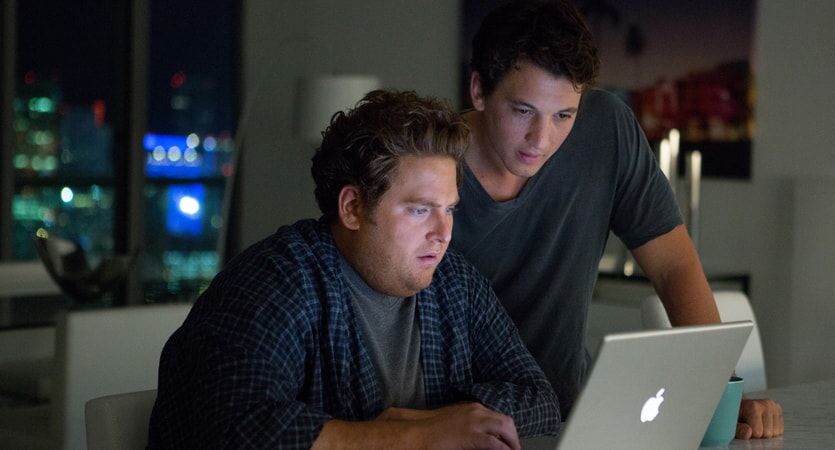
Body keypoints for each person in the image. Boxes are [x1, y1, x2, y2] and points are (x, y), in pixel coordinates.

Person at [148, 89, 561, 449]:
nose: (443, 233)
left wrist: (442, 420)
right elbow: (237, 430)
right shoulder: (276, 280)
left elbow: (541, 401)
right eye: (420, 210)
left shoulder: (456, 283)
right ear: (352, 208)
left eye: (449, 209)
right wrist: (417, 436)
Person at [450, 0, 783, 440]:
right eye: (523, 111)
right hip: (456, 426)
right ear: (478, 90)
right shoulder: (425, 168)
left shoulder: (605, 128)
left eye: (563, 115)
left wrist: (720, 390)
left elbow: (673, 265)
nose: (541, 140)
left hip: (571, 421)